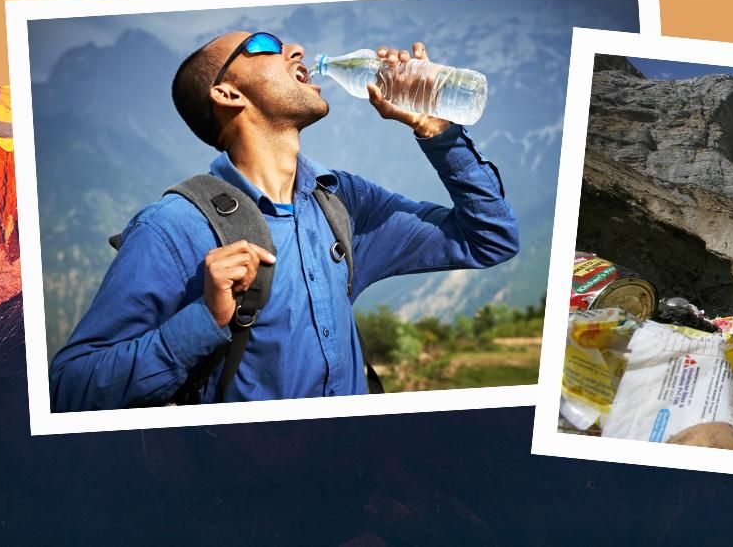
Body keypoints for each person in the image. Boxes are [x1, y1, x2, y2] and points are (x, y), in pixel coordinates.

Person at [49, 33, 519, 411]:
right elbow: (69, 387)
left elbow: (490, 239)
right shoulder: (173, 227)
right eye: (262, 45)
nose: (295, 49)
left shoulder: (343, 203)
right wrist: (204, 319)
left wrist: (438, 132)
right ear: (227, 93)